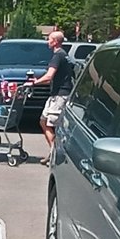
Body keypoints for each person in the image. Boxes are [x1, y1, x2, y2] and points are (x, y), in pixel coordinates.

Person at [31, 30, 74, 165]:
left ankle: (56, 153)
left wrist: (34, 82)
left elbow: (49, 76)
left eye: (49, 39)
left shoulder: (58, 56)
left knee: (51, 124)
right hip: (55, 95)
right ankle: (53, 151)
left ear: (55, 41)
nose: (47, 42)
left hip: (60, 95)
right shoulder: (63, 55)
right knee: (43, 121)